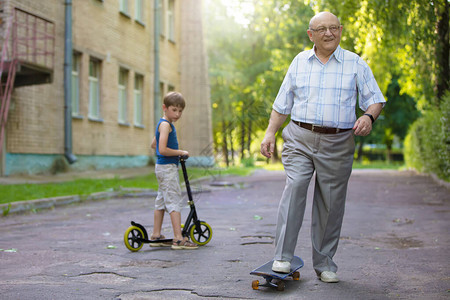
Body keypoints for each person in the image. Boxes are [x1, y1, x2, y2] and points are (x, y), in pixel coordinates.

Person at [260, 12, 385, 283]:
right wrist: (270, 132)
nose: (329, 33)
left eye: (333, 28)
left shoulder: (355, 63)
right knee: (295, 189)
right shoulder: (299, 62)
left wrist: (368, 116)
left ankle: (325, 262)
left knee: (330, 203)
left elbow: (375, 99)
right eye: (322, 29)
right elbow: (282, 104)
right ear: (311, 34)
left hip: (338, 142)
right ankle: (282, 256)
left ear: (340, 30)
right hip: (300, 138)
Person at [150, 91, 198, 250]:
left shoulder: (163, 124)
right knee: (173, 200)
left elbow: (154, 145)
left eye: (180, 111)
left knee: (162, 200)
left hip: (162, 168)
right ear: (165, 107)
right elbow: (162, 149)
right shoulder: (166, 125)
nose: (177, 114)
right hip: (167, 168)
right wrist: (180, 152)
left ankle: (156, 234)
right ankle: (178, 238)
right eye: (174, 110)